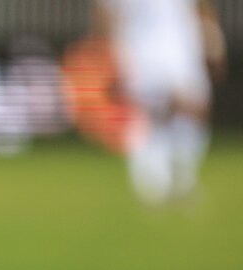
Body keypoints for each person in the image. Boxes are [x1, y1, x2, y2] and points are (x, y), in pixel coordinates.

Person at [94, 0, 227, 205]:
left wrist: (213, 40)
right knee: (152, 112)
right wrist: (109, 53)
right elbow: (106, 11)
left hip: (183, 45)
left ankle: (183, 177)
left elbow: (202, 7)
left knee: (194, 106)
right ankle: (151, 179)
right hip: (141, 48)